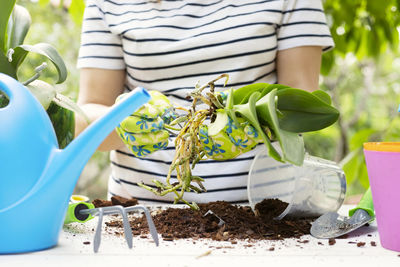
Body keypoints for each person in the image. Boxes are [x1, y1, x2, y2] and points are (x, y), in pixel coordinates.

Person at [75, 0, 334, 204]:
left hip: (268, 212)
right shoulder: (108, 3)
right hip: (142, 215)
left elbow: (303, 105)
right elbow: (86, 115)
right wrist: (126, 121)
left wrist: (252, 123)